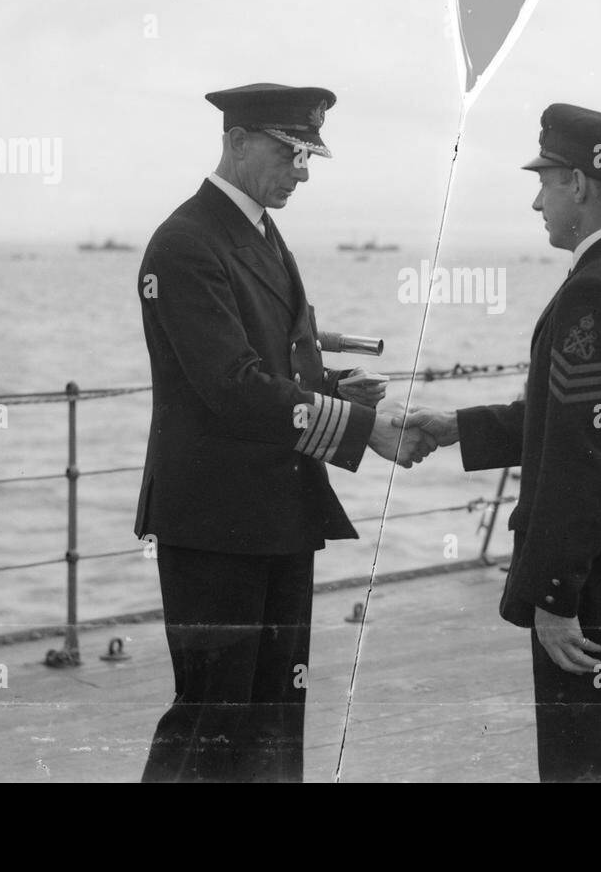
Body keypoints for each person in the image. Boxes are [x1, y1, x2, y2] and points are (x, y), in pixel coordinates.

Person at [134, 82, 432, 783]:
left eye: (308, 156)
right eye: (289, 151)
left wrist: (330, 386)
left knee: (274, 715)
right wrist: (365, 430)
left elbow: (274, 360)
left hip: (276, 512)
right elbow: (232, 388)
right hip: (214, 524)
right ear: (236, 142)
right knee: (212, 715)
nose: (301, 171)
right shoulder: (185, 243)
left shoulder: (261, 232)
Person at [405, 103, 601, 782]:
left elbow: (584, 461)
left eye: (546, 181)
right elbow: (586, 421)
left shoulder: (595, 292)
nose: (537, 200)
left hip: (599, 594)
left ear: (582, 185)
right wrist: (459, 427)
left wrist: (557, 597)